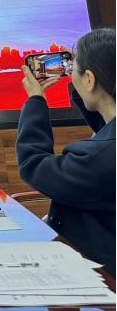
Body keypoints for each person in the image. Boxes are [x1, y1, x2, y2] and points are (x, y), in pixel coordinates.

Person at [16, 27, 116, 277]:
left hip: (102, 277)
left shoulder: (96, 159)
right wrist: (80, 79)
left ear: (89, 79)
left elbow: (33, 164)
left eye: (76, 71)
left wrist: (35, 100)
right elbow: (106, 129)